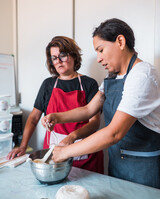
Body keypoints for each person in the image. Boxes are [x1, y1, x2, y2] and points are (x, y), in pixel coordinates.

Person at [41, 19, 160, 189]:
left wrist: (65, 152)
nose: (98, 58)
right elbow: (89, 109)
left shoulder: (142, 75)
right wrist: (57, 117)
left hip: (143, 167)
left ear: (120, 41)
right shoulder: (113, 77)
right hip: (118, 164)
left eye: (101, 50)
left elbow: (114, 133)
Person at [7, 36, 104, 174]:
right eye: (54, 58)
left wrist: (72, 137)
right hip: (55, 155)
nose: (58, 61)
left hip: (85, 156)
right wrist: (23, 145)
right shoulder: (48, 85)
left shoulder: (89, 84)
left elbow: (94, 123)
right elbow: (34, 118)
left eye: (62, 55)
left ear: (74, 56)